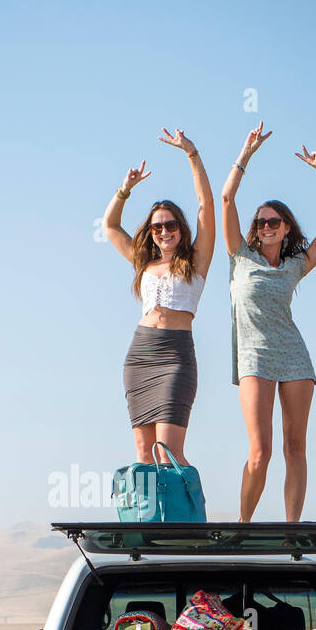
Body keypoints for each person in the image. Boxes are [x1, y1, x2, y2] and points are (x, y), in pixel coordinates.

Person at [221, 121, 316, 521]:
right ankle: (243, 525)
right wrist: (246, 153)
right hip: (253, 355)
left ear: (286, 227)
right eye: (261, 222)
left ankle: (292, 530)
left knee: (295, 448)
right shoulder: (240, 255)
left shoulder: (294, 265)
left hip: (294, 356)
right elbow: (225, 198)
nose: (266, 227)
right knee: (260, 451)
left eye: (274, 222)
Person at [103, 129, 214, 466]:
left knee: (169, 454)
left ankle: (185, 519)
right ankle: (149, 520)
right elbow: (109, 225)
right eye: (157, 227)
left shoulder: (196, 262)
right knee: (144, 455)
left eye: (171, 225)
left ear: (181, 228)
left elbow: (207, 205)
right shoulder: (143, 262)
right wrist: (125, 189)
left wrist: (191, 153)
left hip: (176, 354)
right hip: (140, 355)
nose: (164, 231)